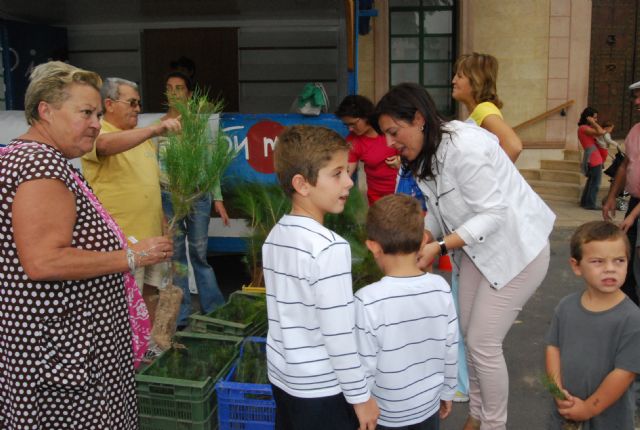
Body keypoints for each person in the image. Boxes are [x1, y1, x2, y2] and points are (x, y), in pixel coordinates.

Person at [0, 61, 173, 428]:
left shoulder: (38, 158)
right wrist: (131, 256)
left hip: (61, 350)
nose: (96, 123)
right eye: (85, 112)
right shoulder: (40, 166)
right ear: (45, 110)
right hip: (66, 360)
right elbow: (44, 261)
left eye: (97, 113)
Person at [375, 82, 555, 430]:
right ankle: (478, 414)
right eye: (385, 134)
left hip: (518, 251)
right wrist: (423, 235)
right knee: (469, 338)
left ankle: (494, 425)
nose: (389, 143)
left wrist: (439, 247)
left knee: (483, 342)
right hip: (477, 250)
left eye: (394, 132)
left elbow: (493, 214)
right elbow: (441, 210)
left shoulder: (465, 148)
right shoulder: (425, 154)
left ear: (418, 119)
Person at [263, 125, 379, 430]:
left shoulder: (275, 236)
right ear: (302, 184)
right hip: (322, 390)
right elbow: (339, 336)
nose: (349, 182)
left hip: (284, 379)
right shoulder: (329, 248)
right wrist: (360, 397)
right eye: (337, 173)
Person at [81, 77, 181, 323]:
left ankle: (147, 350)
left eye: (139, 103)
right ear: (109, 104)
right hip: (120, 245)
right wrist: (155, 129)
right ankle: (126, 356)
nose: (138, 108)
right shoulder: (97, 132)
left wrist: (164, 228)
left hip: (151, 239)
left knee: (150, 295)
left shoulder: (141, 138)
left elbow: (150, 188)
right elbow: (103, 146)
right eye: (133, 103)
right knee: (124, 303)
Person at [354, 194, 458, 429]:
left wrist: (361, 404)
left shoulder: (367, 301)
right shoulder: (441, 288)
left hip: (385, 415)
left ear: (373, 246)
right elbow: (450, 348)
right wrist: (448, 391)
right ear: (423, 240)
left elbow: (364, 365)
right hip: (428, 408)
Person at [545, 221, 640, 429]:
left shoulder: (632, 319)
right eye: (597, 261)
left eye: (619, 261)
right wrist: (556, 391)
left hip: (607, 420)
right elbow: (553, 348)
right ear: (576, 266)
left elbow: (624, 373)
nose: (610, 269)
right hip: (564, 413)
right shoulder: (566, 307)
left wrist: (588, 409)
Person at [158, 71, 229, 328]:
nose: (173, 93)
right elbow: (153, 168)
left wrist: (217, 200)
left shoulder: (200, 125)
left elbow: (212, 165)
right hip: (169, 197)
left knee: (199, 254)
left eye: (179, 88)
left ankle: (214, 311)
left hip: (199, 195)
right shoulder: (160, 126)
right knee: (176, 256)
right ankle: (181, 315)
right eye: (169, 87)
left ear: (189, 93)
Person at [602, 80, 640, 305]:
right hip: (633, 200)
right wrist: (613, 199)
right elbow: (627, 166)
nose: (636, 101)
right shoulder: (635, 130)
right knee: (626, 250)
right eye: (635, 96)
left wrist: (633, 215)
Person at [452, 52, 522, 162]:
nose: (453, 81)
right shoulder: (480, 110)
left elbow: (514, 146)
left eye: (459, 76)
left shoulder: (483, 109)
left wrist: (492, 175)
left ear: (476, 80)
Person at [335, 95, 399, 205]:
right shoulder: (353, 141)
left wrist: (402, 162)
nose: (350, 129)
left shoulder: (389, 127)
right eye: (347, 125)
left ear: (366, 116)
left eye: (353, 123)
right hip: (378, 197)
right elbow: (346, 172)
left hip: (405, 191)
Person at [577, 107, 607, 210]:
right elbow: (601, 132)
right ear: (588, 117)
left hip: (593, 156)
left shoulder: (584, 128)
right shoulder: (583, 128)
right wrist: (593, 123)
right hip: (594, 157)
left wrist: (592, 122)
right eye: (594, 118)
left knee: (591, 181)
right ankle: (590, 204)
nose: (596, 120)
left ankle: (585, 202)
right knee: (595, 183)